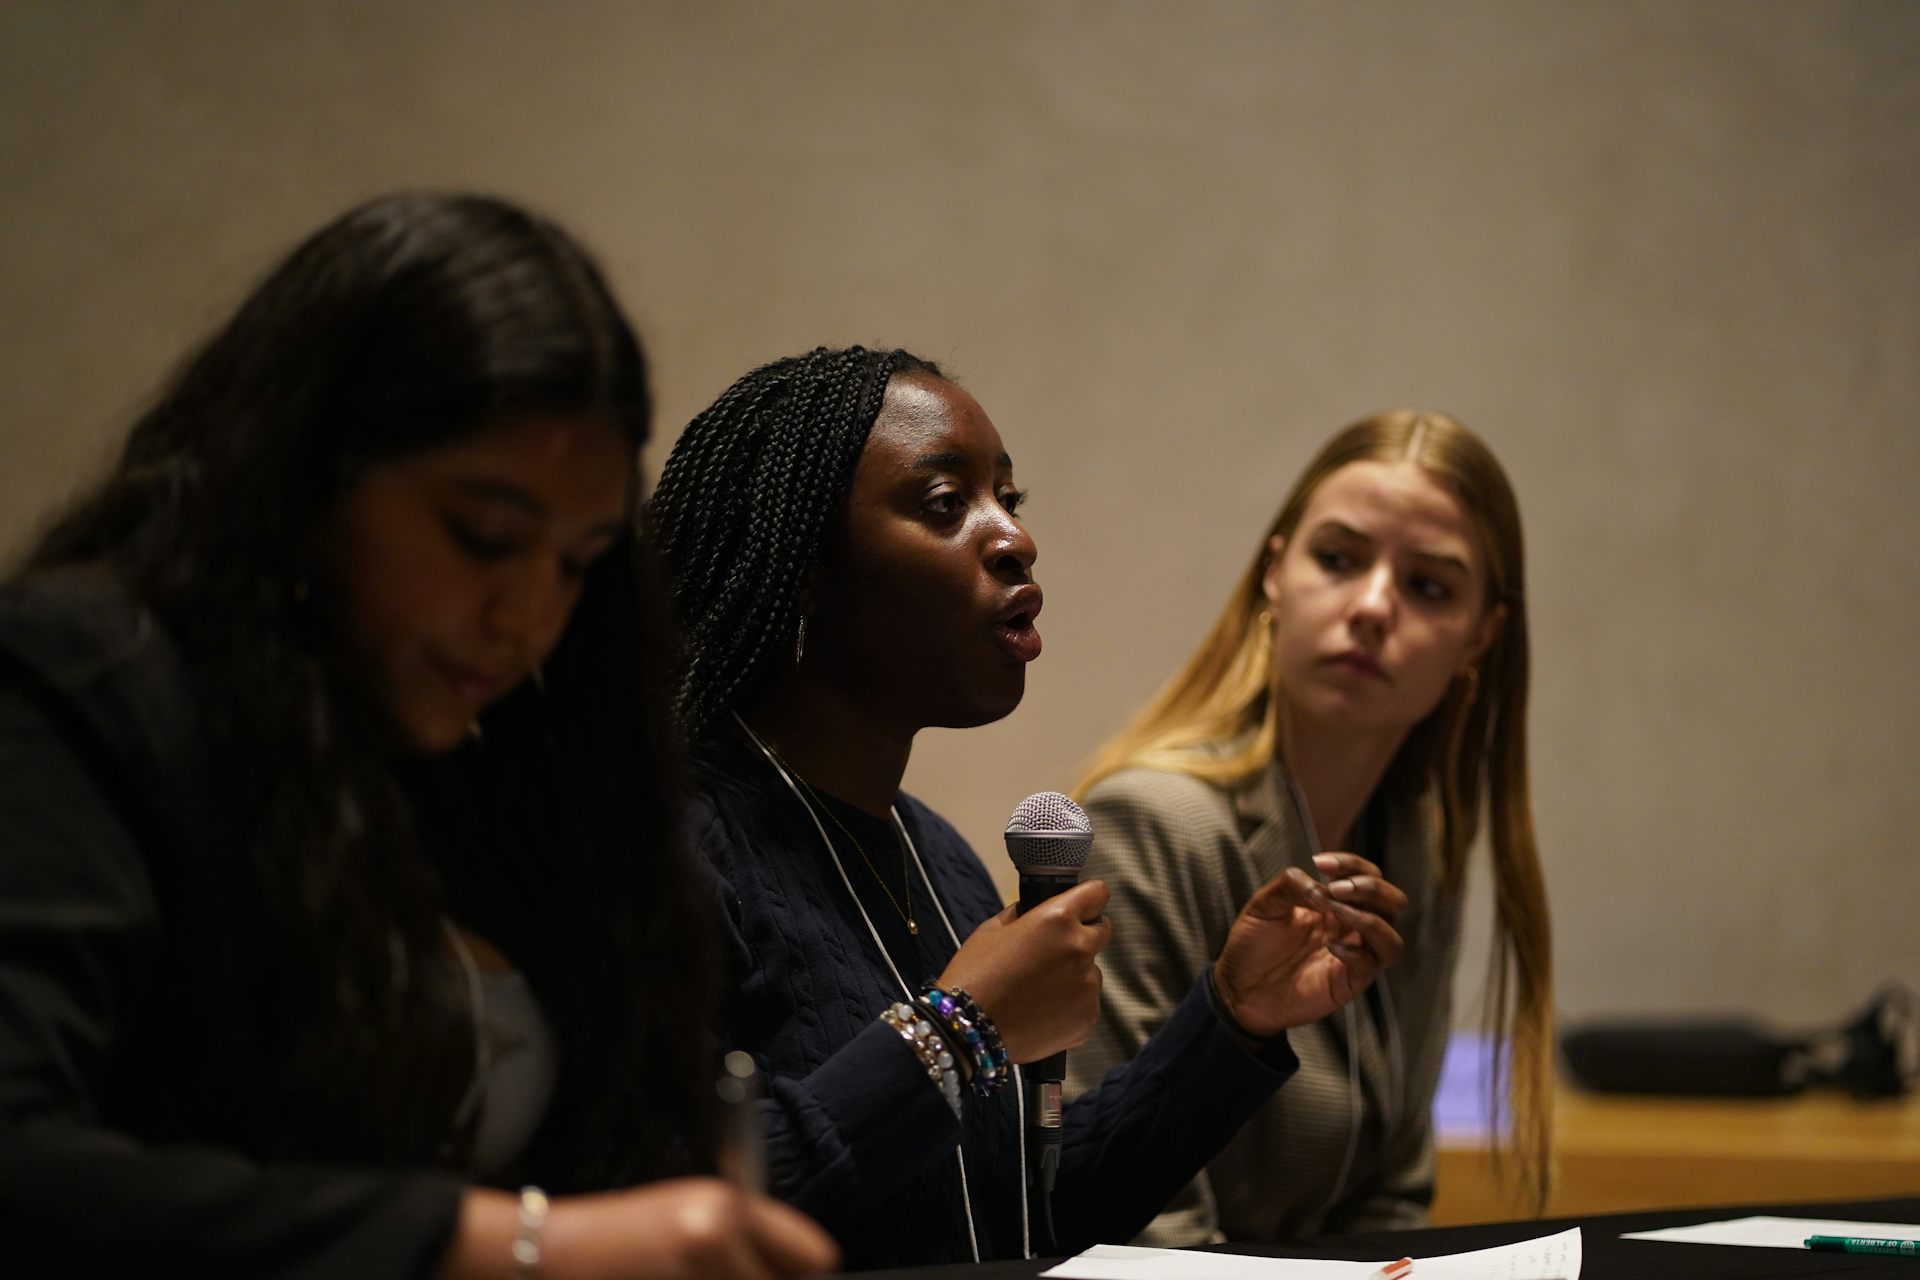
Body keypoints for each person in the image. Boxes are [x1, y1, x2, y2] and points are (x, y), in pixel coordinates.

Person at [0, 193, 836, 1278]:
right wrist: (520, 1247)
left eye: (577, 562)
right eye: (483, 536)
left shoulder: (501, 754)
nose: (527, 615)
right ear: (306, 473)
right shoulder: (86, 681)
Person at [644, 345, 1409, 1270]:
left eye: (1009, 499)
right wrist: (958, 1029)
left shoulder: (939, 858)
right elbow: (683, 1214)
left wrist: (1233, 1018)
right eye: (946, 504)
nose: (1013, 537)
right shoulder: (663, 850)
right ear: (802, 563)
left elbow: (1025, 1212)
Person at [1066, 410, 1552, 1244]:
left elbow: (1393, 1196)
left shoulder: (1422, 847)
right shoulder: (1149, 826)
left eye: (1428, 587)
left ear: (1481, 635)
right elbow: (1138, 1232)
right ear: (1275, 573)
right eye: (1338, 560)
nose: (1373, 606)